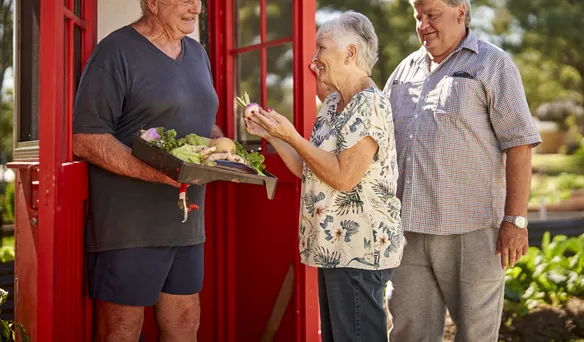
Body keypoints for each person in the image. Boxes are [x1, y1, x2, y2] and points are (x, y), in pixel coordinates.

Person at [383, 0, 542, 341]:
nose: (423, 25)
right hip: (407, 232)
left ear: (460, 12)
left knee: (475, 336)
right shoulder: (404, 71)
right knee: (408, 334)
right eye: (418, 17)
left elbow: (520, 144)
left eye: (432, 15)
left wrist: (515, 220)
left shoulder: (493, 64)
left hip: (472, 232)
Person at [243, 11, 403, 342]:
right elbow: (311, 169)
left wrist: (292, 137)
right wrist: (272, 134)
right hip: (333, 246)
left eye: (321, 48)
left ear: (350, 53)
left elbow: (344, 177)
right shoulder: (332, 105)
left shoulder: (370, 105)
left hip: (359, 251)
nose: (314, 59)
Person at [72, 0, 220, 340]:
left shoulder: (197, 54)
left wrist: (223, 147)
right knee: (122, 329)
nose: (196, 6)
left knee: (185, 323)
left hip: (186, 220)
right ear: (152, 3)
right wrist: (160, 174)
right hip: (129, 224)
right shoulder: (115, 52)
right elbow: (87, 138)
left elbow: (200, 124)